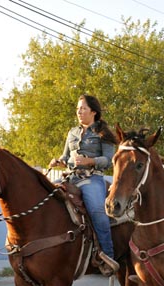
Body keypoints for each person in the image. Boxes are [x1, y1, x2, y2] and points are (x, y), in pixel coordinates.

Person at [49, 94, 118, 276]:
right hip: (71, 178)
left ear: (93, 112)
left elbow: (109, 160)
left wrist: (90, 161)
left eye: (83, 108)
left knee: (96, 210)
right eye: (78, 108)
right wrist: (58, 161)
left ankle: (108, 257)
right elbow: (66, 157)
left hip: (92, 179)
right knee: (45, 194)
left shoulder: (103, 133)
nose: (79, 111)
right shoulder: (71, 133)